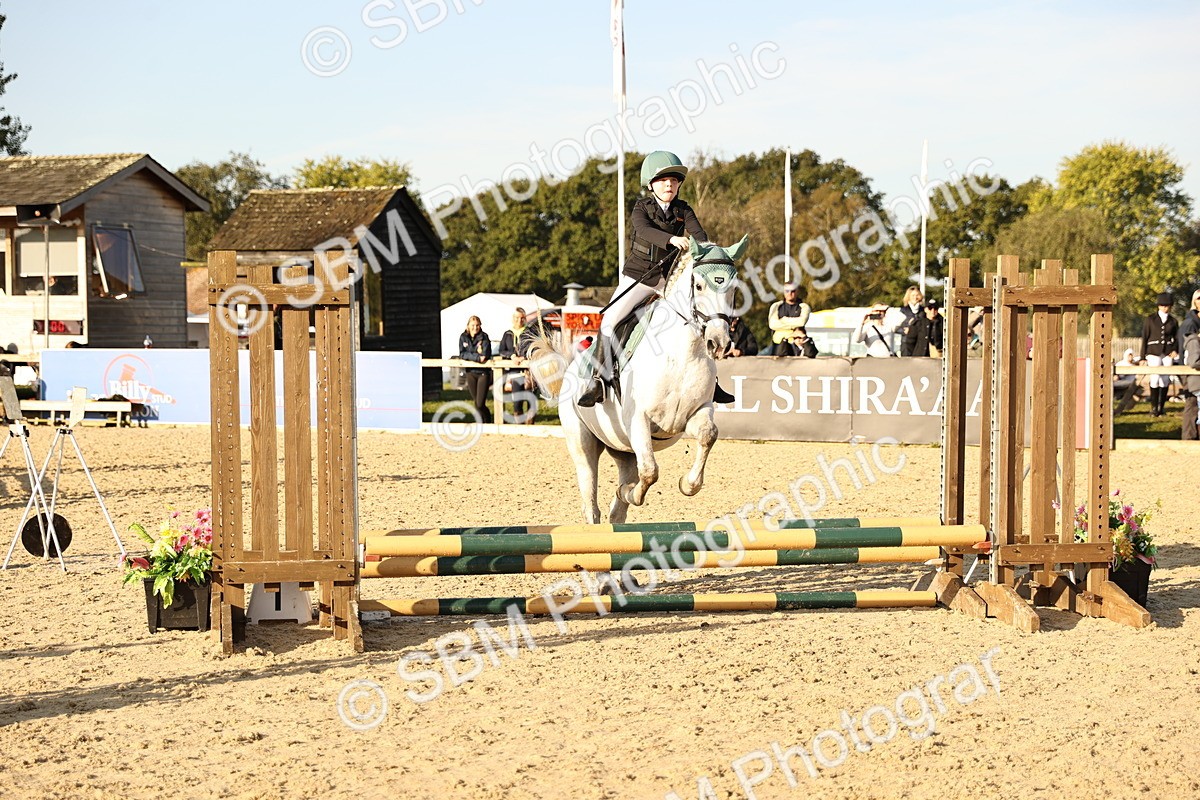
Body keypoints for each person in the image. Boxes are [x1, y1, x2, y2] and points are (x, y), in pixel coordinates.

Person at [578, 151, 734, 406]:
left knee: (700, 321)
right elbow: (644, 230)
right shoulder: (642, 208)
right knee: (610, 321)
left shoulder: (684, 209)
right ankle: (597, 381)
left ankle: (712, 384)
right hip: (639, 279)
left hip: (670, 281)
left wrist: (709, 250)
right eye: (663, 181)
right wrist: (671, 239)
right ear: (651, 185)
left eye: (673, 181)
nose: (669, 185)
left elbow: (700, 235)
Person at [1139, 292, 1179, 417]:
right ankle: (1154, 408)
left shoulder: (1173, 321)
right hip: (1153, 351)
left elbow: (1177, 338)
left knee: (1165, 379)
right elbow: (1145, 337)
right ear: (1158, 306)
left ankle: (1161, 408)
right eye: (1162, 305)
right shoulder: (1150, 319)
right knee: (1155, 378)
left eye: (1167, 306)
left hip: (1167, 352)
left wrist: (1175, 350)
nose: (1164, 308)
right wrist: (1142, 356)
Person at [498, 307, 533, 423]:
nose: (519, 320)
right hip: (515, 372)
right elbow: (502, 350)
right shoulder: (508, 334)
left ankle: (531, 424)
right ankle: (519, 423)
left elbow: (534, 348)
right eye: (517, 318)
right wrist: (512, 356)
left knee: (530, 399)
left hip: (529, 372)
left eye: (522, 318)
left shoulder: (529, 332)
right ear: (513, 318)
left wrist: (524, 357)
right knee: (517, 401)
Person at [458, 315, 493, 422]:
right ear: (468, 325)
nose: (475, 327)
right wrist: (476, 357)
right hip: (470, 372)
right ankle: (481, 423)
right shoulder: (463, 337)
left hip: (483, 373)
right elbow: (462, 354)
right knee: (476, 402)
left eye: (477, 325)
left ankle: (487, 420)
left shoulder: (484, 337)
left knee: (480, 403)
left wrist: (472, 356)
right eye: (473, 325)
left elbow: (485, 355)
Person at [767, 283, 812, 348]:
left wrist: (783, 320)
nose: (790, 293)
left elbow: (801, 322)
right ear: (784, 292)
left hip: (797, 344)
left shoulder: (804, 307)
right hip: (778, 345)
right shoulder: (776, 306)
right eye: (787, 291)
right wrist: (793, 328)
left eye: (793, 291)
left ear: (797, 291)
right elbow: (772, 324)